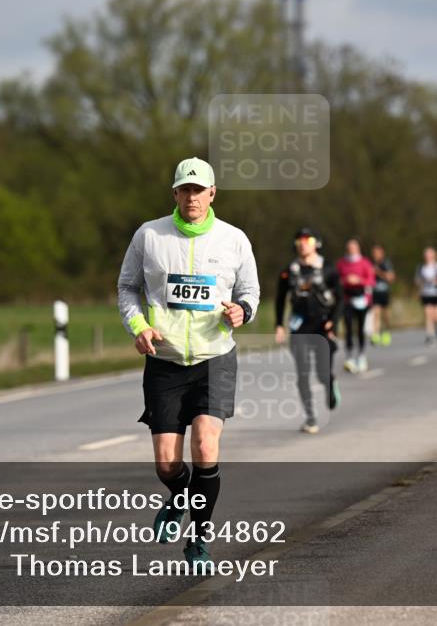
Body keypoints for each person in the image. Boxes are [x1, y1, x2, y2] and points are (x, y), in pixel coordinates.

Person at [117, 156, 259, 569]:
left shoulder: (234, 239)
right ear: (175, 193)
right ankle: (178, 495)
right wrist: (138, 325)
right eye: (185, 189)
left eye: (200, 190)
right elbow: (127, 287)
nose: (192, 197)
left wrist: (243, 312)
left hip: (214, 358)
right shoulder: (150, 235)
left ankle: (198, 541)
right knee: (167, 463)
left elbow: (251, 290)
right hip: (165, 360)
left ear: (213, 193)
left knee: (205, 445)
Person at [275, 228, 343, 434]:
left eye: (308, 239)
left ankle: (330, 384)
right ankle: (311, 417)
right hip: (299, 327)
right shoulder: (290, 270)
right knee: (302, 373)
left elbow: (340, 299)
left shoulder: (328, 268)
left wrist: (333, 322)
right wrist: (278, 324)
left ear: (316, 243)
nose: (303, 243)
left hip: (323, 326)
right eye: (299, 240)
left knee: (322, 374)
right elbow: (280, 298)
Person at [336, 239, 375, 373]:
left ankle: (361, 355)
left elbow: (371, 281)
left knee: (360, 328)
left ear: (358, 248)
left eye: (354, 247)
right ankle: (349, 357)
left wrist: (359, 280)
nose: (352, 249)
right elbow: (335, 281)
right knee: (348, 328)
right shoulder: (341, 263)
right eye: (349, 247)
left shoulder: (365, 263)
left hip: (362, 300)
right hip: (346, 300)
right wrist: (345, 281)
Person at [414, 247, 437, 345]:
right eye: (426, 254)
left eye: (429, 254)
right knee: (428, 314)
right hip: (426, 293)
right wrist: (421, 285)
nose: (427, 256)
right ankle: (430, 335)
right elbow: (417, 280)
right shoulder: (421, 267)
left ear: (434, 255)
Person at [369, 244, 395, 346]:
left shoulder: (386, 263)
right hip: (374, 292)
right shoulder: (370, 263)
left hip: (384, 292)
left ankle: (386, 333)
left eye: (377, 252)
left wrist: (378, 272)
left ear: (382, 253)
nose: (375, 255)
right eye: (374, 253)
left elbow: (390, 278)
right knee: (376, 314)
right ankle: (375, 336)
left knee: (385, 315)